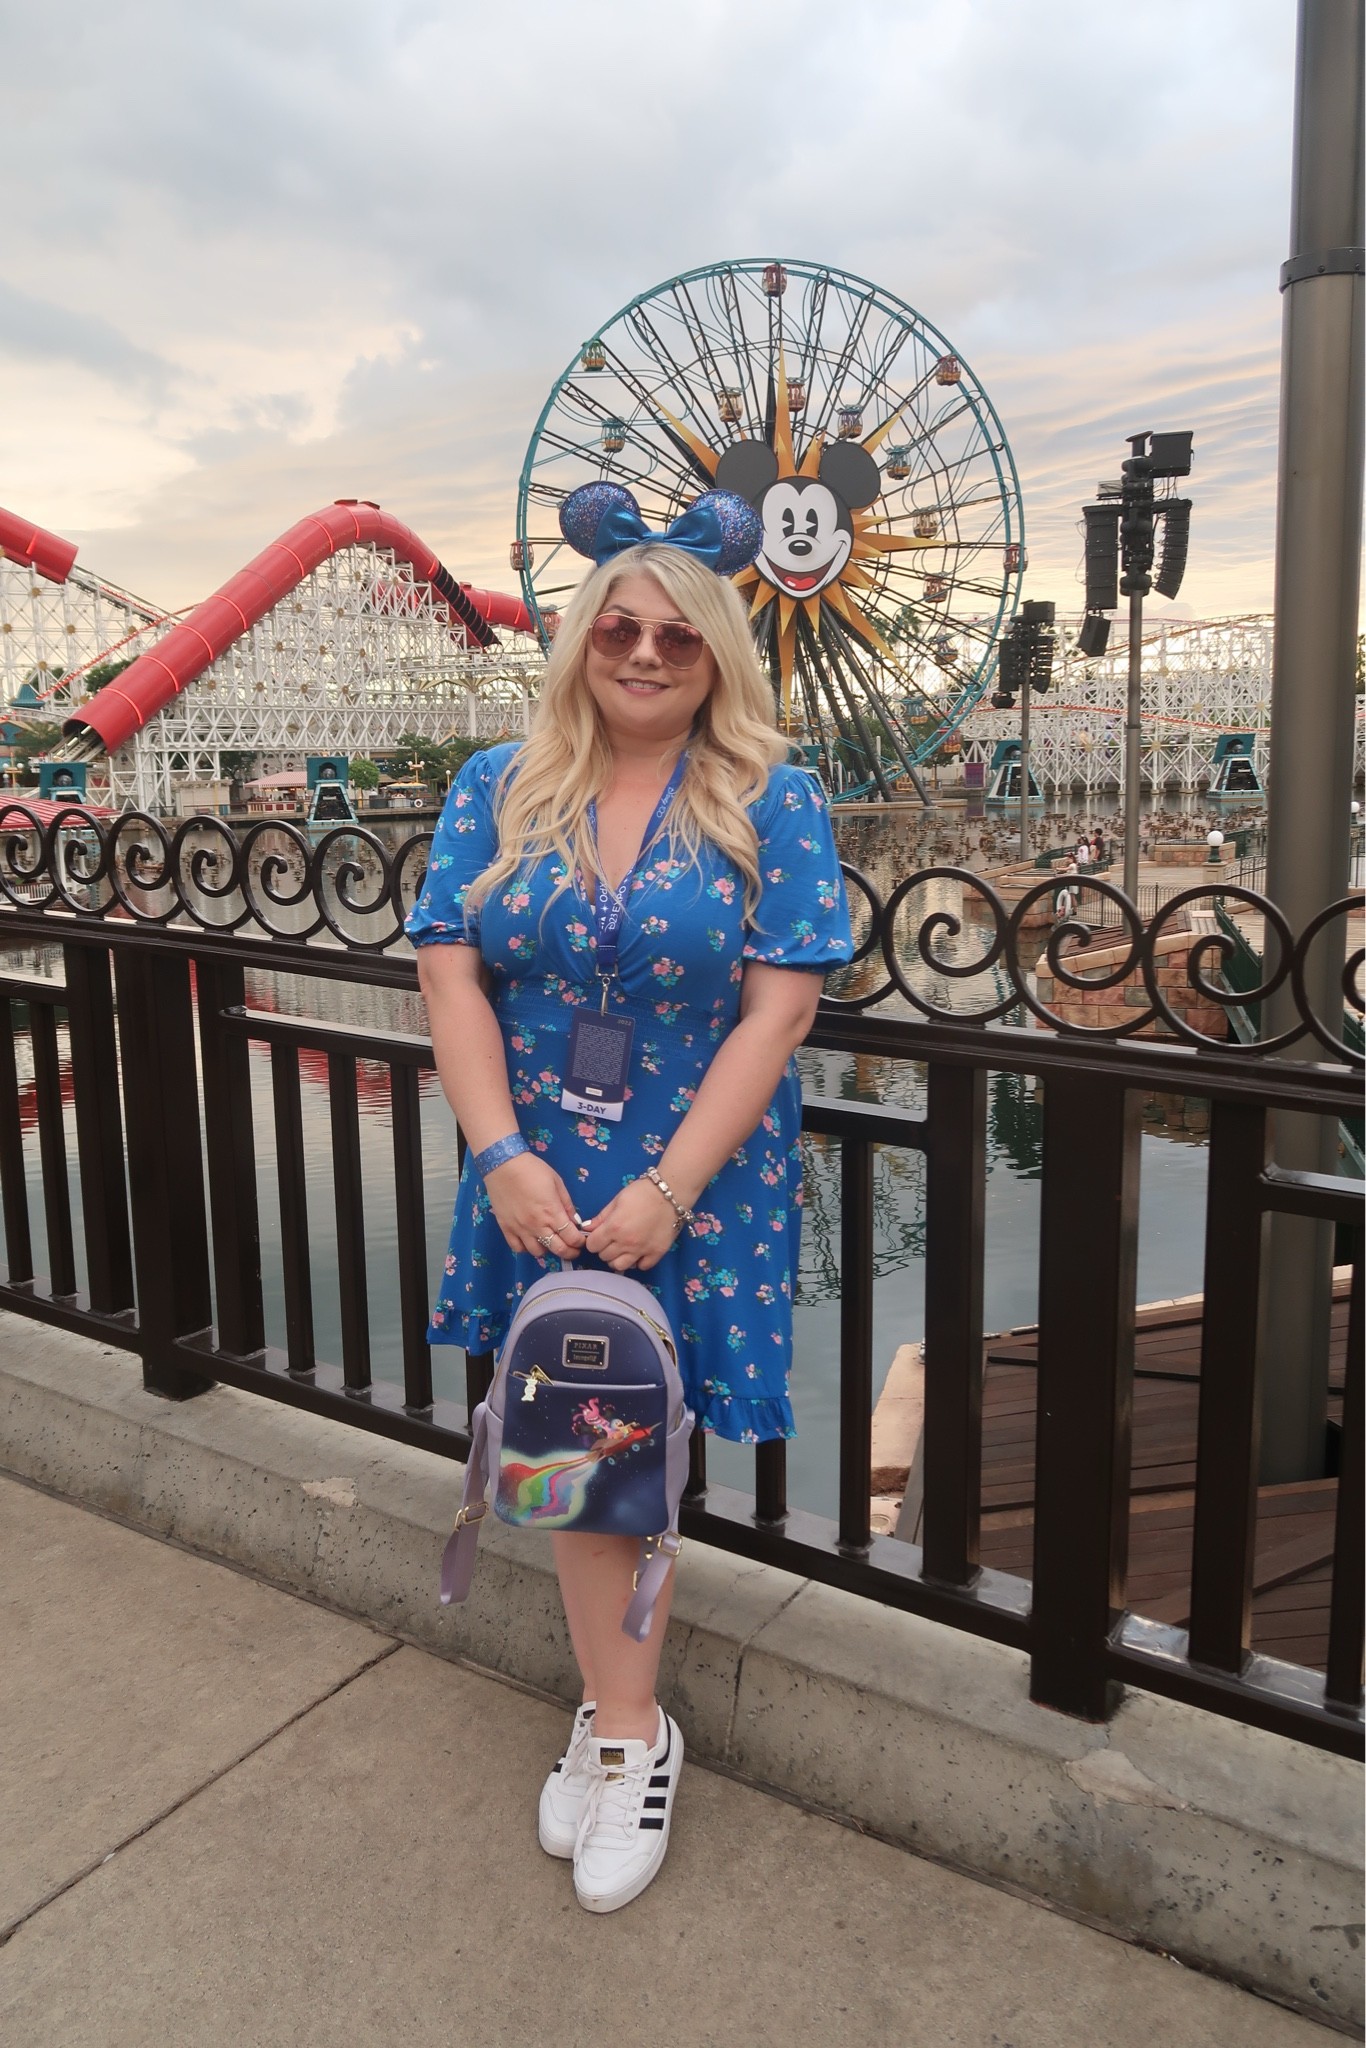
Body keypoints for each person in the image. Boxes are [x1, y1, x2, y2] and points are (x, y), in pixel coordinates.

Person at [406, 483, 853, 1915]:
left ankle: (624, 1730)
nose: (646, 654)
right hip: (534, 1172)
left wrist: (667, 1187)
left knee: (625, 1452)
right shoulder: (496, 785)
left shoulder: (773, 801)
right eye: (618, 629)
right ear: (579, 644)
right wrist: (500, 1156)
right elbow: (448, 973)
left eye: (677, 634)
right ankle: (620, 1717)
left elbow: (777, 1015)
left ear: (718, 651)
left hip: (693, 1184)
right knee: (567, 1433)